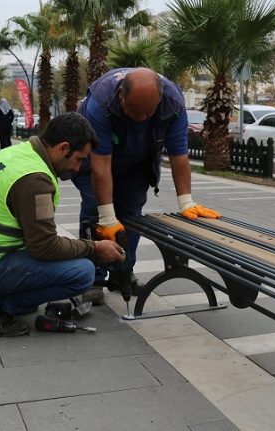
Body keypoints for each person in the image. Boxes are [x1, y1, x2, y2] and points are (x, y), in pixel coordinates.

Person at [0, 112, 126, 337]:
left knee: (65, 259)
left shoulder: (20, 153)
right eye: (79, 159)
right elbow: (45, 247)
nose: (78, 168)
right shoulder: (35, 180)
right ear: (63, 148)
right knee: (82, 272)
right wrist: (93, 249)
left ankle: (4, 297)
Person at [73, 67, 220, 305]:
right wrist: (108, 216)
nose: (141, 118)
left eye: (148, 113)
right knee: (95, 215)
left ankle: (123, 274)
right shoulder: (101, 103)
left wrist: (186, 201)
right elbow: (101, 166)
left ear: (159, 101)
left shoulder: (173, 103)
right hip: (95, 160)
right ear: (121, 96)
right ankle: (93, 279)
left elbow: (179, 155)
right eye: (134, 111)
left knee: (131, 215)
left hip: (137, 163)